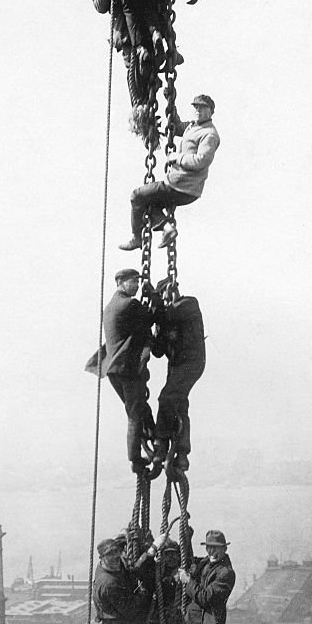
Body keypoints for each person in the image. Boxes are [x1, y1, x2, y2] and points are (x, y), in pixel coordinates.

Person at [120, 94, 220, 250]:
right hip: (179, 185)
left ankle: (136, 238)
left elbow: (202, 160)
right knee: (148, 202)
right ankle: (167, 228)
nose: (198, 110)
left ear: (211, 112)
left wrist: (176, 157)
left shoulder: (209, 134)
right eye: (196, 107)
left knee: (137, 196)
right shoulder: (193, 127)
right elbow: (177, 126)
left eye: (202, 107)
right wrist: (171, 101)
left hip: (183, 187)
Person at [87, 268, 155, 472]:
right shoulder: (129, 304)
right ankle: (135, 459)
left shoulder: (109, 307)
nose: (136, 285)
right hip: (126, 369)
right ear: (121, 283)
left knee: (137, 406)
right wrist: (154, 296)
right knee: (135, 412)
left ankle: (154, 438)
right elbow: (151, 317)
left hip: (112, 368)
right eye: (133, 281)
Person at [93, 531, 170, 624]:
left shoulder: (110, 565)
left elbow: (127, 563)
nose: (115, 556)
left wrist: (128, 535)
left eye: (116, 551)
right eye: (110, 554)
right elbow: (132, 609)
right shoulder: (108, 584)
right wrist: (145, 591)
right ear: (102, 558)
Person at [151, 280, 206, 473]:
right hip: (176, 366)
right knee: (179, 404)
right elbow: (158, 351)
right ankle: (181, 454)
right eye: (164, 295)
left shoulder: (189, 304)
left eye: (167, 293)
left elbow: (172, 314)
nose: (167, 297)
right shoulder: (166, 317)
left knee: (166, 399)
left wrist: (157, 309)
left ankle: (161, 444)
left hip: (191, 364)